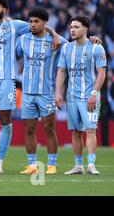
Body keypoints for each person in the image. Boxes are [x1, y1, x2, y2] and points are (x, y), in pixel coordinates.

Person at [0, 0, 61, 173]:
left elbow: (40, 27)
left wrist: (54, 34)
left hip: (7, 81)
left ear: (4, 10)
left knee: (5, 119)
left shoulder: (15, 25)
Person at [16, 8, 68, 175]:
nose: (32, 24)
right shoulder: (23, 39)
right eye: (30, 21)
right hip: (28, 93)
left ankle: (51, 165)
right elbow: (14, 57)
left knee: (49, 128)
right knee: (29, 129)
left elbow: (75, 47)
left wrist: (53, 33)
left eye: (36, 21)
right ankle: (32, 165)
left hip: (47, 92)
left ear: (45, 23)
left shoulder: (56, 41)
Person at [56, 16, 107, 175]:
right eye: (71, 27)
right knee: (75, 131)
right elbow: (62, 71)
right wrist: (58, 92)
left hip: (89, 96)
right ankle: (78, 166)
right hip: (71, 97)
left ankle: (91, 165)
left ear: (86, 29)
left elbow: (102, 73)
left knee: (90, 130)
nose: (72, 30)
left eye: (76, 27)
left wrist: (94, 93)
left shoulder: (96, 48)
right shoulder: (66, 49)